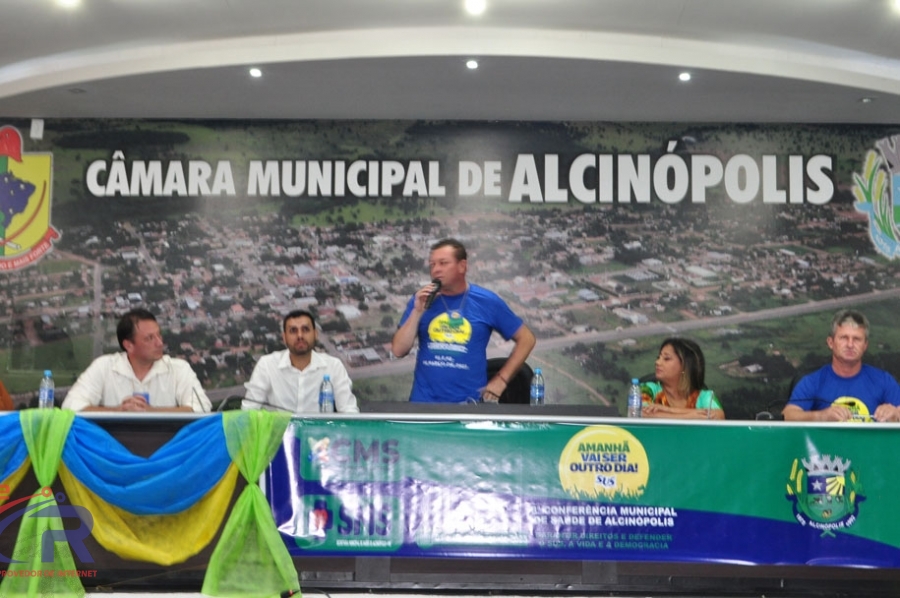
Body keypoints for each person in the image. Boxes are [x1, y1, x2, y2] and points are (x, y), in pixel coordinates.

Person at [391, 238, 536, 403]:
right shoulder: (422, 300)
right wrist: (417, 312)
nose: (436, 270)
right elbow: (398, 350)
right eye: (432, 265)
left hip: (468, 405)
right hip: (423, 404)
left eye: (443, 263)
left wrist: (501, 380)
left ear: (462, 266)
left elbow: (527, 339)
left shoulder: (487, 301)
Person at [61, 308, 211, 412]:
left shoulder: (179, 368)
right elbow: (71, 406)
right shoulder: (104, 366)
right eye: (149, 338)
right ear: (129, 345)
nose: (159, 343)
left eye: (159, 335)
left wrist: (152, 412)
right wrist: (117, 411)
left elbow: (202, 408)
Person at [783, 309, 900, 422]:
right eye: (844, 338)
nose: (850, 344)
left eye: (857, 339)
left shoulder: (884, 381)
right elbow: (787, 415)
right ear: (830, 342)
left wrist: (895, 413)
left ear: (865, 345)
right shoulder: (812, 381)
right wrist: (821, 416)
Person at [243, 309, 359, 413]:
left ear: (315, 334)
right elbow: (248, 410)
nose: (300, 336)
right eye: (293, 331)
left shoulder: (333, 366)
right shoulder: (267, 365)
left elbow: (348, 411)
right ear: (284, 337)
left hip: (320, 436)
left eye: (305, 330)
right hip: (279, 436)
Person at [640, 337, 724, 420]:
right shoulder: (647, 389)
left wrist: (666, 409)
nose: (657, 362)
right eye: (658, 357)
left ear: (684, 367)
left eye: (666, 358)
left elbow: (718, 417)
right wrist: (692, 416)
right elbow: (642, 413)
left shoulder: (704, 396)